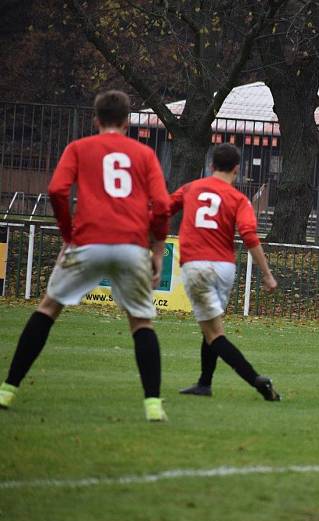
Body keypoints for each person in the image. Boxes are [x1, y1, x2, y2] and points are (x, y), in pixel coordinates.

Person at [0, 90, 170, 421]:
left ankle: (7, 389)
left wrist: (68, 235)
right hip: (132, 246)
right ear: (128, 121)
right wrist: (158, 247)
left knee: (48, 308)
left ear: (95, 119)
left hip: (87, 241)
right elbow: (162, 206)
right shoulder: (144, 154)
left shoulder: (78, 148)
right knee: (141, 321)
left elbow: (56, 190)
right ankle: (153, 405)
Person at [170, 143, 281, 402]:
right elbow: (250, 236)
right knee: (210, 326)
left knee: (214, 333)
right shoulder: (239, 199)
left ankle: (258, 382)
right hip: (224, 269)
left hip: (197, 265)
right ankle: (204, 383)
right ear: (236, 169)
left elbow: (163, 208)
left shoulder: (191, 188)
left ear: (211, 166)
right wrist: (266, 274)